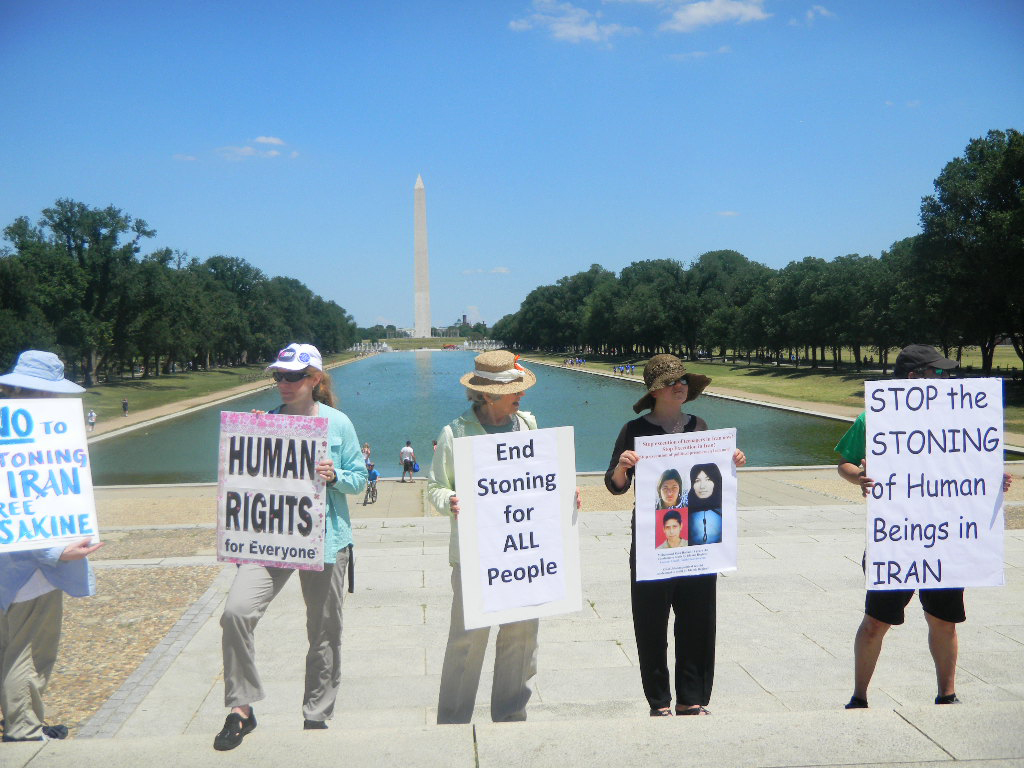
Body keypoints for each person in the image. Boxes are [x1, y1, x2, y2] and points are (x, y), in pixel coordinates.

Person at [837, 344, 1012, 710]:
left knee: (944, 620)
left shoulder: (957, 417)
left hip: (945, 538)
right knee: (875, 622)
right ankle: (859, 696)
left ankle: (947, 694)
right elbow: (845, 464)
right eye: (938, 372)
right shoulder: (874, 418)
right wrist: (860, 477)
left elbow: (971, 463)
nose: (946, 378)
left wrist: (993, 480)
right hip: (896, 539)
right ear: (915, 377)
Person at [214, 343, 366, 750]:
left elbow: (360, 480)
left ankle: (316, 715)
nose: (283, 383)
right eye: (278, 376)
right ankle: (241, 708)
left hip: (326, 540)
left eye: (293, 376)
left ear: (314, 379)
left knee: (323, 632)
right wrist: (254, 437)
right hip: (270, 541)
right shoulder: (263, 423)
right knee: (236, 612)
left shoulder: (339, 423)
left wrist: (334, 476)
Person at [605, 354, 745, 717]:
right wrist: (623, 466)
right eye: (672, 382)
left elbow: (712, 475)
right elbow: (615, 486)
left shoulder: (700, 425)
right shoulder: (634, 430)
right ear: (655, 391)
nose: (680, 386)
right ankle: (659, 700)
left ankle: (691, 697)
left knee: (698, 617)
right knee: (650, 620)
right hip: (653, 541)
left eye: (683, 381)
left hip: (698, 539)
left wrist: (732, 460)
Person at [427, 350, 542, 724]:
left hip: (522, 551)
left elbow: (540, 479)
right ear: (488, 394)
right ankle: (453, 718)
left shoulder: (527, 425)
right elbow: (434, 488)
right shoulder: (454, 432)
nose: (521, 396)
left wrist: (561, 497)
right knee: (466, 639)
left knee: (521, 636)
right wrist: (452, 500)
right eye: (514, 389)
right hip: (476, 554)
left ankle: (510, 715)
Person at [0, 350, 104, 742]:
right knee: (29, 656)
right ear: (43, 395)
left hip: (10, 569)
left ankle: (22, 721)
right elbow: (13, 510)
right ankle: (24, 731)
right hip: (28, 569)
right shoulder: (22, 435)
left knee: (9, 649)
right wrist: (54, 553)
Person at [687, 463, 724, 547]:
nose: (702, 486)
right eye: (697, 480)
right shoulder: (684, 511)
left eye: (708, 479)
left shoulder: (726, 507)